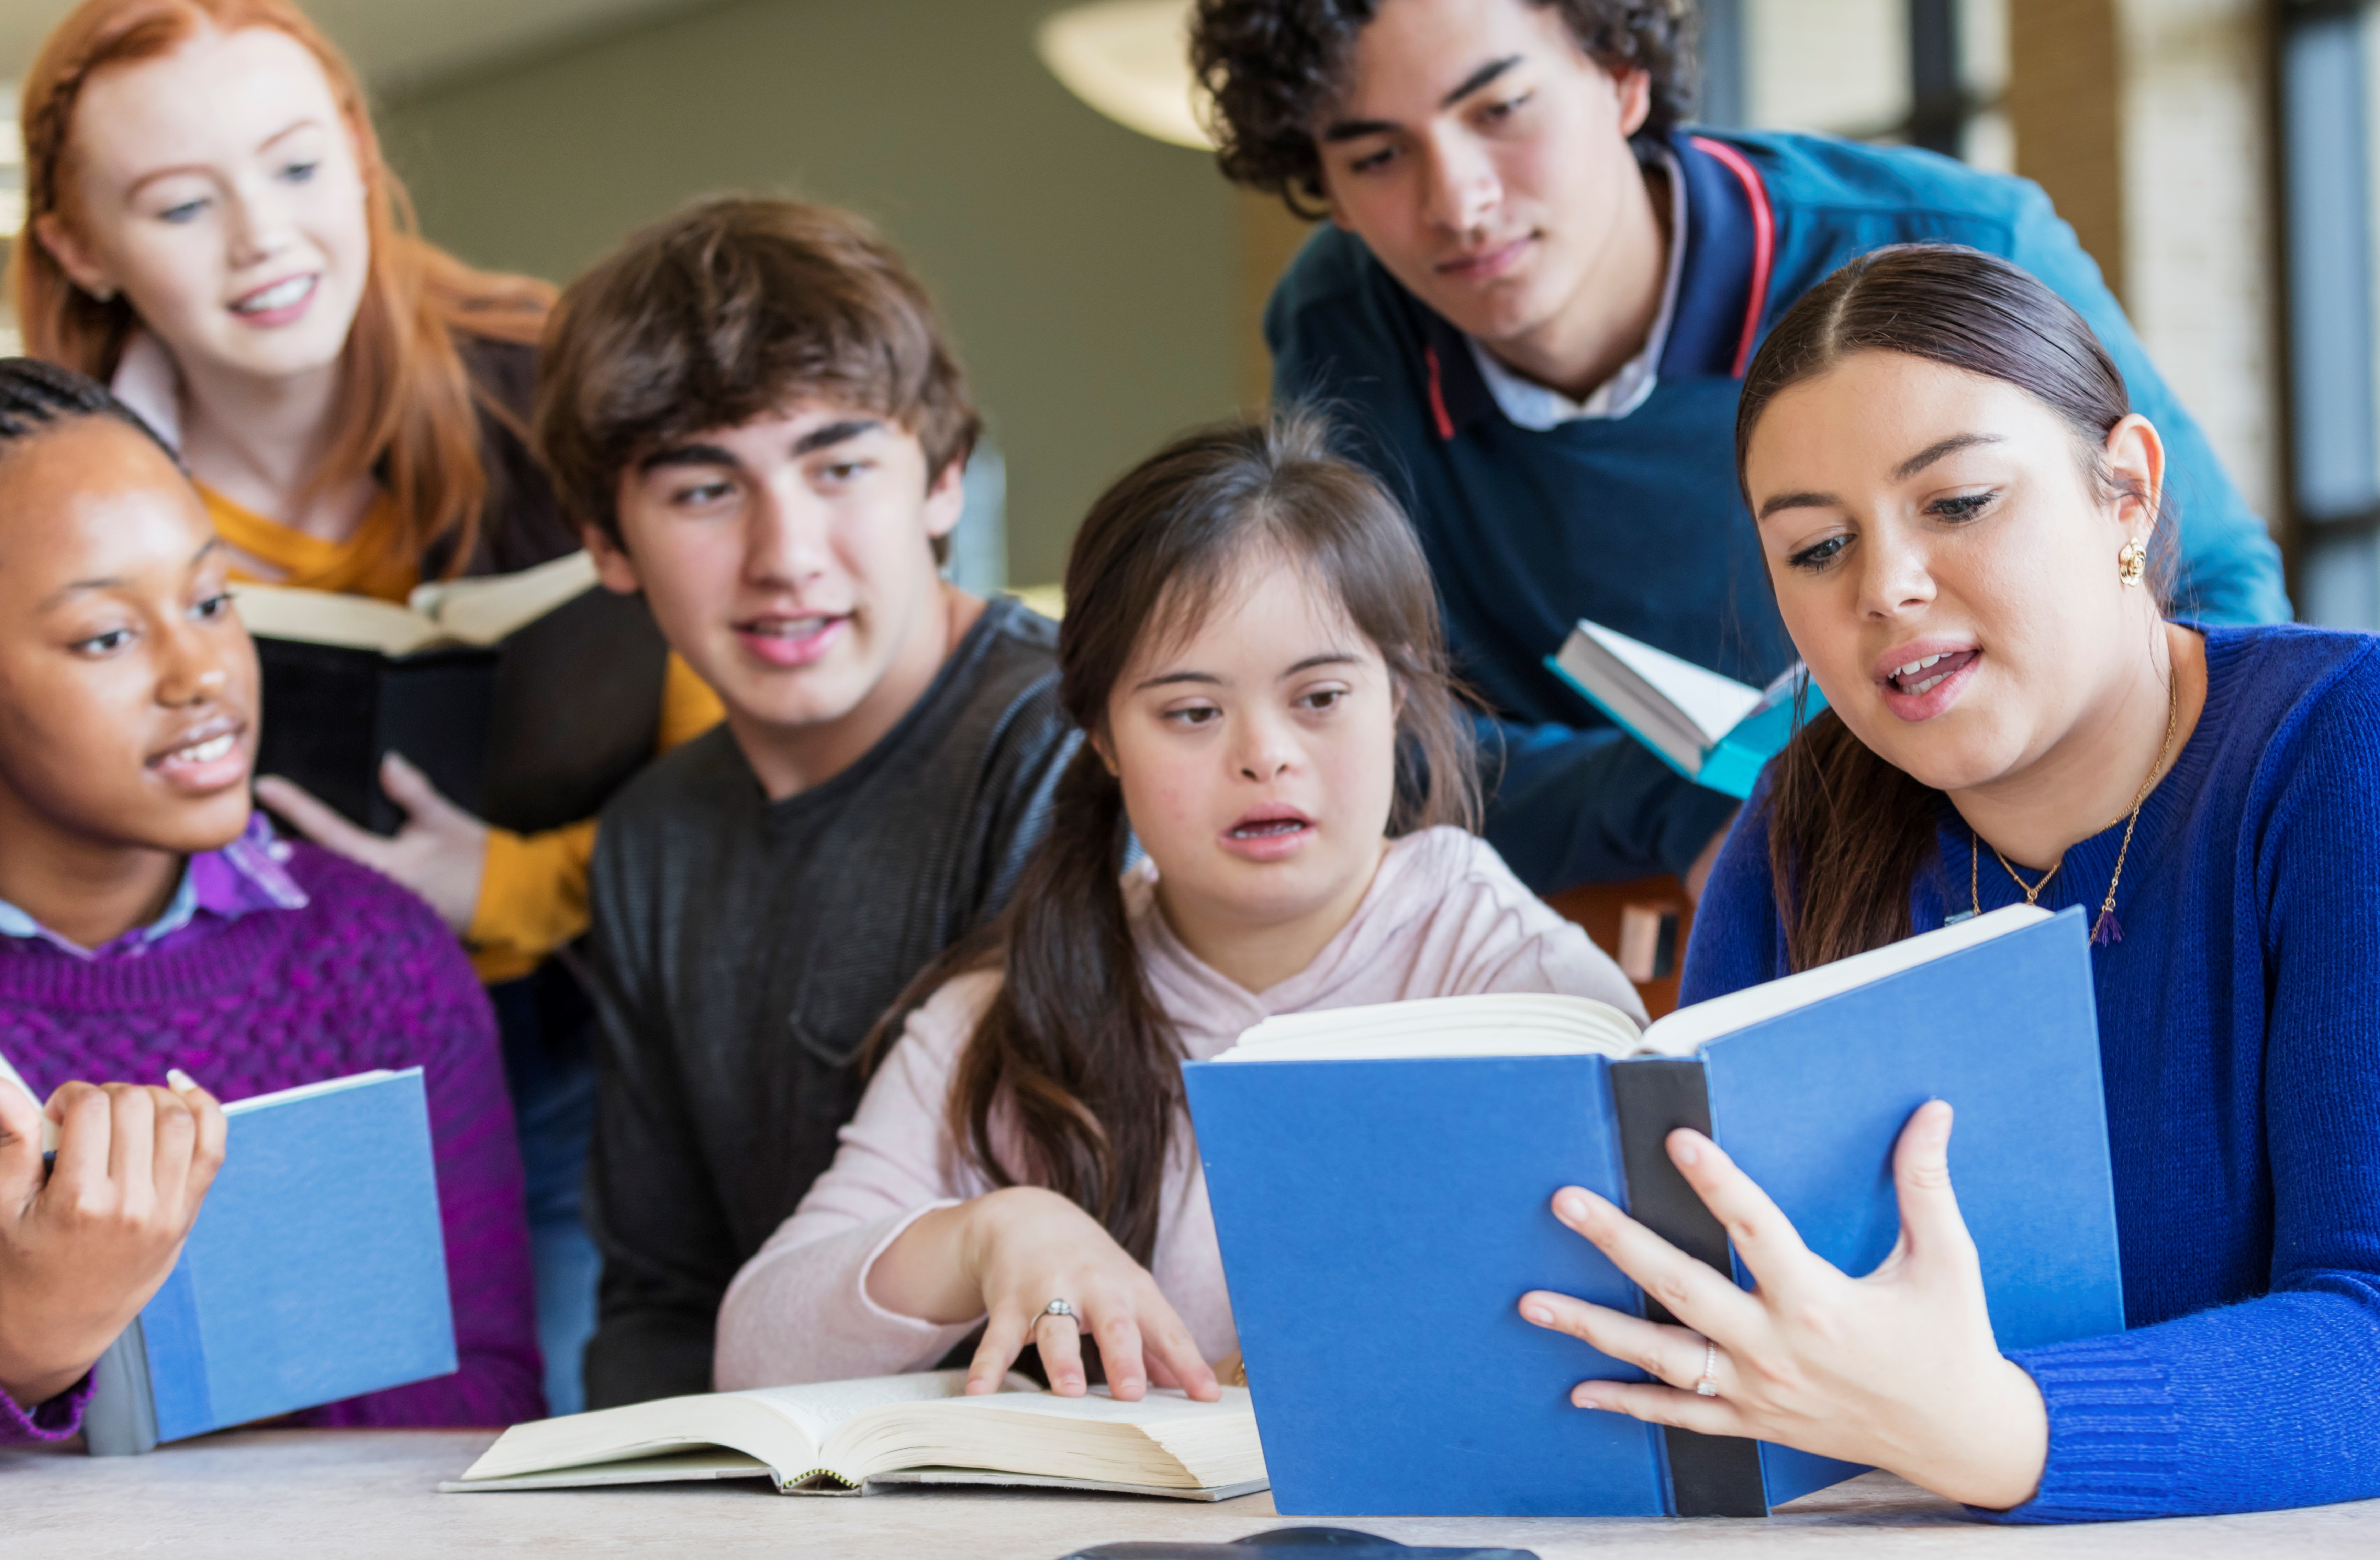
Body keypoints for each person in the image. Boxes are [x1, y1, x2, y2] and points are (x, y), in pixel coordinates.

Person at [1511, 245, 2380, 1520]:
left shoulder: (2339, 748)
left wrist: (1985, 1430)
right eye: (1816, 549)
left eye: (1960, 502)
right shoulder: (1797, 826)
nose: (1887, 589)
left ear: (2126, 494)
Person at [13, 0, 725, 1414]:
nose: (262, 240)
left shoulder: (562, 392)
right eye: (178, 203)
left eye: (292, 167)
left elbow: (734, 782)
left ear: (355, 152)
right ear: (83, 247)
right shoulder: (47, 489)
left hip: (581, 1013)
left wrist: (505, 887)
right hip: (240, 1043)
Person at [1188, 0, 2291, 900]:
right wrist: (1694, 805)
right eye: (1377, 156)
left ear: (1622, 72)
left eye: (1504, 108)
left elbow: (2222, 604)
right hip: (1619, 936)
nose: (1459, 202)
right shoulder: (1344, 327)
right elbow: (1366, 749)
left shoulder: (1949, 243)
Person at [711, 412, 1646, 1403]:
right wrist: (989, 1233)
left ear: (1403, 697)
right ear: (1105, 739)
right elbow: (754, 1353)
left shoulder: (1522, 986)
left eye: (1320, 697)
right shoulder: (1016, 1007)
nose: (1264, 754)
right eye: (1192, 713)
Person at [528, 196, 1079, 1409]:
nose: (787, 552)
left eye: (839, 467)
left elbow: (1090, 1281)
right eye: (704, 491)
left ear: (942, 479)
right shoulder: (652, 838)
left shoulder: (1073, 744)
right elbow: (659, 1305)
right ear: (607, 542)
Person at [0, 359, 543, 1444]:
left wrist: (176, 1375)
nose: (203, 672)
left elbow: (493, 1399)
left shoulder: (377, 954)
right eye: (108, 635)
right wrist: (27, 1350)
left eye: (211, 600)